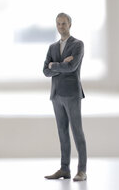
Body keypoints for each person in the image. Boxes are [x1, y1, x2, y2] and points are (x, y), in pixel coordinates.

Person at [43, 13, 87, 181]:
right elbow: (45, 71)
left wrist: (54, 65)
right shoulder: (52, 47)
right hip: (56, 95)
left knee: (77, 132)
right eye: (58, 24)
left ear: (70, 24)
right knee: (62, 133)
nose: (61, 26)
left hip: (72, 94)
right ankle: (64, 169)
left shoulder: (78, 45)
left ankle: (82, 170)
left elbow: (72, 67)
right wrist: (60, 64)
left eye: (64, 23)